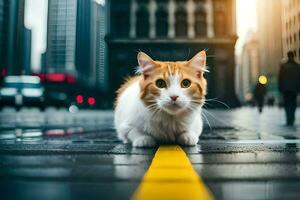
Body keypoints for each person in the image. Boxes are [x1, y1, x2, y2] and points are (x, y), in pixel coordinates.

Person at [278, 51, 300, 126]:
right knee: (293, 104)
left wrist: (280, 87)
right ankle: (292, 117)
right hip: (294, 88)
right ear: (293, 56)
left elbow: (280, 78)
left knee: (287, 104)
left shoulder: (283, 66)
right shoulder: (297, 66)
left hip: (286, 88)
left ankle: (289, 118)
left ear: (288, 56)